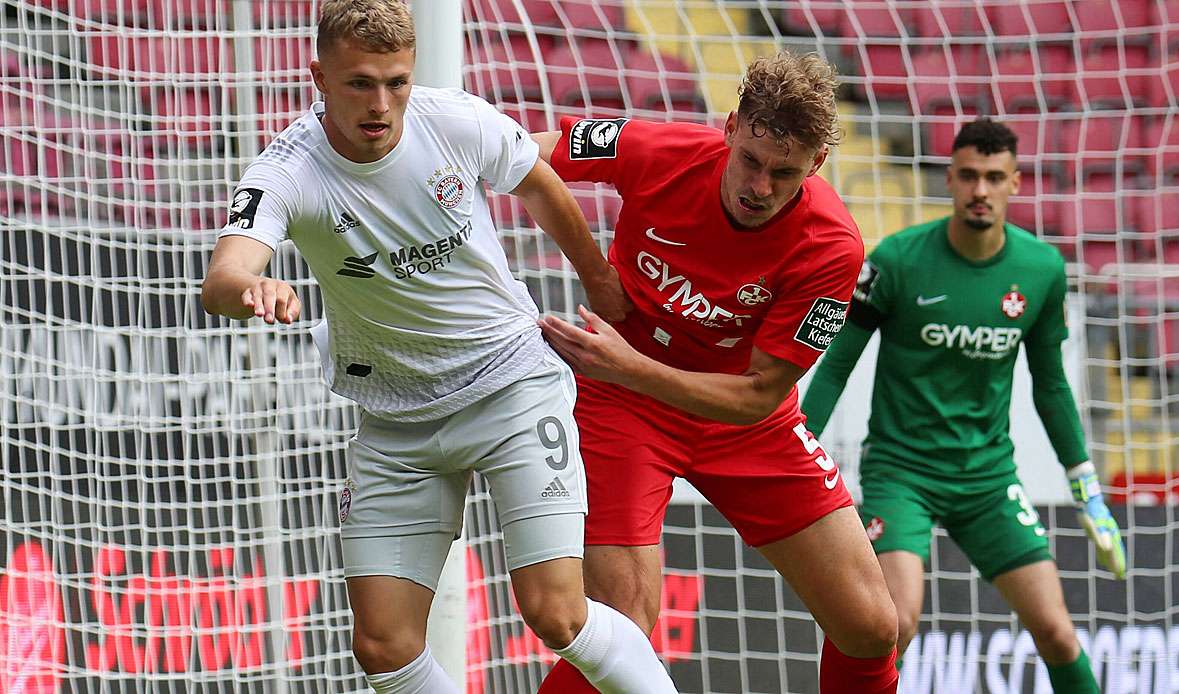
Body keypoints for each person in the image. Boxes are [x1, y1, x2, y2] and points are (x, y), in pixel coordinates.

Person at [200, 2, 680, 693]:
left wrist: (599, 279)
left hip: (510, 384)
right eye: (360, 83)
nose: (381, 104)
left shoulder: (453, 118)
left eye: (396, 82)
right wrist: (253, 285)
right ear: (319, 78)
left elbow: (539, 183)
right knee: (383, 644)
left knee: (556, 612)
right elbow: (222, 275)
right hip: (397, 417)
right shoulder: (288, 170)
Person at [531, 52, 899, 693]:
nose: (759, 187)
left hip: (741, 420)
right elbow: (523, 154)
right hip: (623, 409)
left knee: (870, 625)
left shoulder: (833, 247)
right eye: (751, 161)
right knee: (625, 628)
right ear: (730, 128)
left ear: (814, 166)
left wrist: (633, 366)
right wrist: (594, 269)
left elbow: (760, 396)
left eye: (783, 174)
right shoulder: (656, 149)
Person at [801, 118, 1126, 692]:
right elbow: (838, 358)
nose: (980, 190)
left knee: (1056, 632)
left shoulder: (1042, 271)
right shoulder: (897, 260)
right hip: (901, 473)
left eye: (994, 177)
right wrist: (798, 444)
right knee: (893, 624)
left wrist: (1086, 487)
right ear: (950, 179)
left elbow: (1051, 385)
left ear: (1016, 183)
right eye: (969, 176)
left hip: (987, 478)